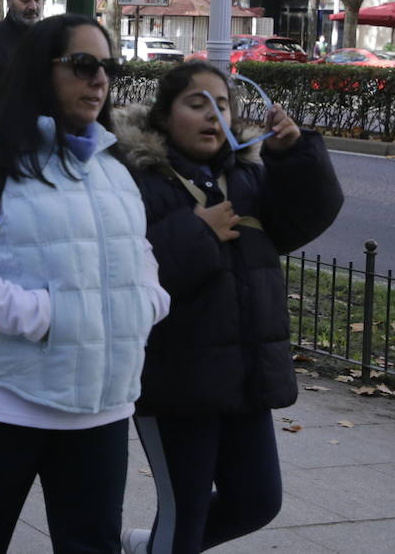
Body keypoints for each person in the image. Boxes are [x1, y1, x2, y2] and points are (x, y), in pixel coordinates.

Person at [0, 15, 170, 550]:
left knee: (92, 542)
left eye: (107, 66)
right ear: (40, 69)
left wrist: (145, 304)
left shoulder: (113, 164)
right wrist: (42, 316)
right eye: (82, 65)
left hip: (100, 400)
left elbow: (138, 251)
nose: (99, 80)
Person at [115, 61, 343, 554]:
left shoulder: (246, 176)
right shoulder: (135, 179)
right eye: (196, 104)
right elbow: (123, 273)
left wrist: (294, 154)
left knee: (258, 501)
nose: (211, 115)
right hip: (174, 384)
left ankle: (150, 546)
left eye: (221, 105)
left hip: (244, 378)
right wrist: (197, 232)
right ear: (164, 115)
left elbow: (305, 218)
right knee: (186, 514)